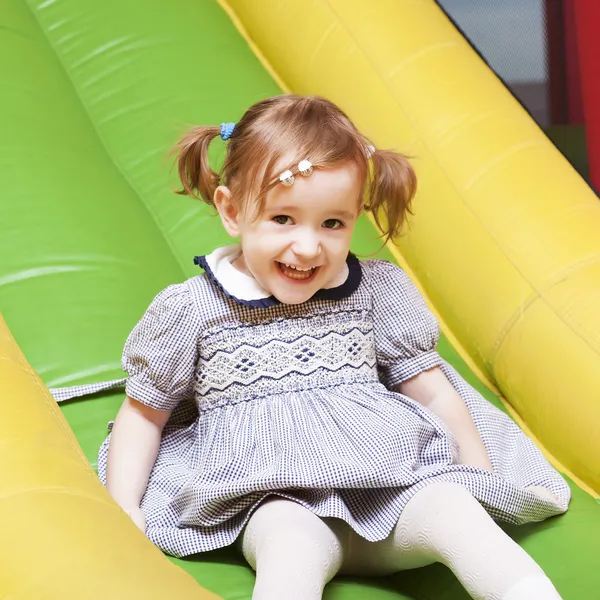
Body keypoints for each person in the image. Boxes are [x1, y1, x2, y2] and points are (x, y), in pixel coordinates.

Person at [56, 94, 569, 599]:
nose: (308, 246)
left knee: (458, 513)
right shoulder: (195, 309)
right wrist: (124, 509)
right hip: (275, 502)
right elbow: (145, 414)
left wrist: (476, 472)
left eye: (333, 223)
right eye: (283, 219)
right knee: (288, 547)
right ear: (232, 211)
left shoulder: (374, 291)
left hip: (392, 492)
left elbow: (429, 387)